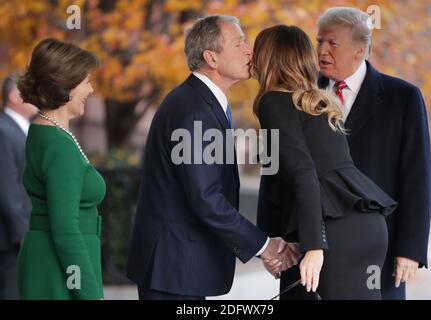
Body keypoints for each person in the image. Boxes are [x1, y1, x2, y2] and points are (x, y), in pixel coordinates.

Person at [127, 15, 299, 300]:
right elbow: (206, 198)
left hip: (180, 269)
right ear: (211, 58)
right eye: (238, 43)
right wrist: (264, 247)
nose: (249, 50)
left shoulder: (203, 103)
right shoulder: (194, 111)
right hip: (172, 271)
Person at [253, 24, 397, 300]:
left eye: (257, 50)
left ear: (269, 57)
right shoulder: (317, 104)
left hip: (333, 235)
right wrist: (276, 245)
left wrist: (314, 247)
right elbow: (280, 180)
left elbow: (304, 173)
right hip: (369, 229)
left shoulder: (273, 102)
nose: (252, 57)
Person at [316, 7, 431, 299]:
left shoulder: (403, 98)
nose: (322, 50)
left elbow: (417, 179)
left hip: (378, 252)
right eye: (319, 41)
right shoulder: (301, 92)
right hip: (312, 250)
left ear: (359, 50)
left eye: (332, 43)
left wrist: (410, 250)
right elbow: (279, 169)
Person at [16, 38, 105, 300]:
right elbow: (65, 230)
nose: (90, 89)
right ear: (66, 85)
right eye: (86, 82)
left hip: (52, 263)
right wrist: (90, 294)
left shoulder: (43, 130)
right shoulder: (58, 145)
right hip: (59, 270)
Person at [0, 76, 37, 300]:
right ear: (14, 97)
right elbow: (7, 188)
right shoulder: (3, 131)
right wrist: (23, 234)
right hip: (11, 238)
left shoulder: (22, 130)